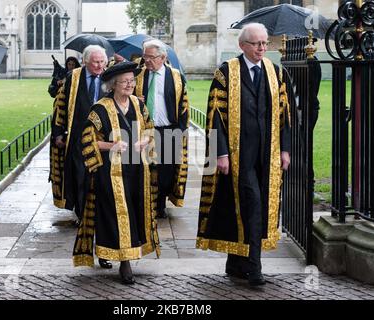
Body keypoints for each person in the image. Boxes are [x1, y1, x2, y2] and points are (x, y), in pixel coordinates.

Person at [196, 23, 291, 287]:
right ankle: (255, 269)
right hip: (238, 155)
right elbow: (215, 115)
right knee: (251, 204)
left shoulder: (275, 72)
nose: (262, 48)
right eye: (256, 44)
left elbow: (285, 115)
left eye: (264, 43)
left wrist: (285, 149)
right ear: (242, 46)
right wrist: (221, 153)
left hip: (267, 153)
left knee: (240, 207)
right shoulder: (226, 73)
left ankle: (235, 263)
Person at [72, 61, 160, 284]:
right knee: (120, 214)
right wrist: (110, 145)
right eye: (125, 82)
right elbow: (87, 141)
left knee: (134, 211)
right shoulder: (100, 109)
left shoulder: (139, 105)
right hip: (110, 174)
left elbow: (150, 129)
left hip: (137, 172)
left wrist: (145, 140)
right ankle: (125, 264)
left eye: (132, 81)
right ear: (113, 85)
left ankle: (113, 252)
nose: (130, 85)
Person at [50, 45, 111, 269]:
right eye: (95, 62)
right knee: (81, 184)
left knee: (102, 192)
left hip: (103, 143)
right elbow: (60, 106)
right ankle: (84, 218)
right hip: (76, 142)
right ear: (85, 62)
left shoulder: (110, 77)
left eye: (102, 61)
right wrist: (58, 133)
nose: (100, 66)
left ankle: (103, 246)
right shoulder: (72, 78)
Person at [134, 39, 189, 219]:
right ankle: (149, 205)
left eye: (151, 57)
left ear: (163, 57)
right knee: (146, 169)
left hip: (169, 131)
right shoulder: (138, 76)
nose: (147, 61)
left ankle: (161, 202)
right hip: (145, 131)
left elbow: (184, 105)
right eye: (145, 57)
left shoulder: (176, 76)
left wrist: (180, 130)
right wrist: (136, 101)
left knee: (166, 171)